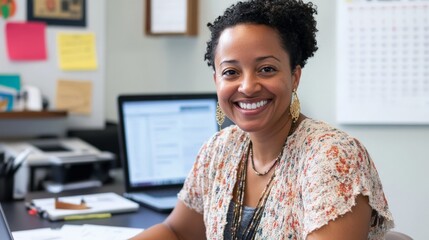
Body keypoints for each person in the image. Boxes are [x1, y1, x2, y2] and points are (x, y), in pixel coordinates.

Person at [130, 0, 394, 239]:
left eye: (266, 69)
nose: (247, 86)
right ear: (216, 82)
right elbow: (176, 232)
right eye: (231, 72)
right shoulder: (219, 149)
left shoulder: (332, 157)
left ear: (294, 77)